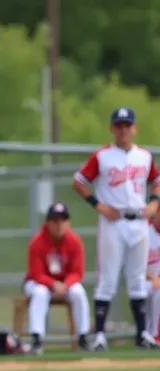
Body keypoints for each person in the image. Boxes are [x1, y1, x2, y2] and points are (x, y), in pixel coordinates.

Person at [73, 107, 160, 350]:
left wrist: (154, 202)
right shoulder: (102, 156)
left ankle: (143, 334)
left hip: (139, 221)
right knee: (107, 279)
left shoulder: (144, 156)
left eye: (127, 125)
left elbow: (156, 181)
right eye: (119, 125)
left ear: (134, 128)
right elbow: (79, 182)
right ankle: (99, 335)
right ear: (112, 129)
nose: (123, 130)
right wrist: (97, 205)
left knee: (137, 279)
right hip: (113, 221)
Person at [22, 203, 91, 354]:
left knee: (79, 292)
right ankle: (36, 339)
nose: (59, 224)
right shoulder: (37, 242)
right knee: (40, 293)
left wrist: (65, 284)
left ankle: (83, 338)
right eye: (55, 220)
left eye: (62, 220)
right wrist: (53, 284)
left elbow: (78, 272)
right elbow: (37, 273)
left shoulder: (74, 241)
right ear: (47, 222)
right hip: (39, 282)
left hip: (65, 283)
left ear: (68, 222)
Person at [145, 212, 160, 344]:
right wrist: (153, 278)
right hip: (141, 280)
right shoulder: (145, 233)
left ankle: (154, 334)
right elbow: (136, 266)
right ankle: (150, 335)